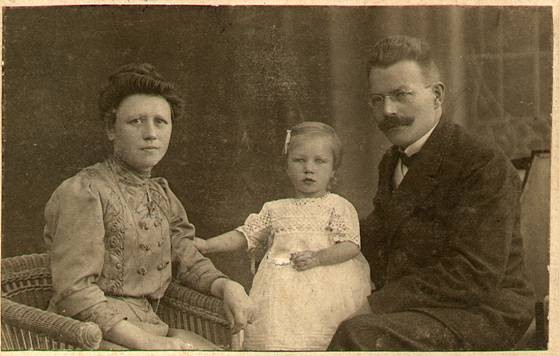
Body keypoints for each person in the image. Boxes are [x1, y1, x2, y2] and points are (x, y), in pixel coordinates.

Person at [327, 35, 535, 351]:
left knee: (358, 334)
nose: (389, 110)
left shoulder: (482, 163)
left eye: (401, 95)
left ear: (436, 95)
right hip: (422, 307)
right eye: (377, 99)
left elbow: (473, 274)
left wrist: (377, 304)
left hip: (484, 311)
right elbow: (378, 235)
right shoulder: (391, 160)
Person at [44, 63, 252, 350]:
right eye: (136, 122)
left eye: (160, 122)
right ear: (111, 129)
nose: (151, 133)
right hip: (89, 335)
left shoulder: (162, 194)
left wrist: (227, 286)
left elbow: (186, 258)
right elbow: (74, 292)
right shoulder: (84, 192)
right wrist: (147, 343)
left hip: (151, 327)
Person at [194, 122, 372, 350]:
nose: (309, 168)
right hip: (281, 295)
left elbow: (350, 245)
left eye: (319, 161)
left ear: (333, 170)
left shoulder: (338, 206)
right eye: (299, 160)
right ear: (287, 167)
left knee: (324, 339)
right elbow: (245, 235)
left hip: (327, 291)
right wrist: (208, 245)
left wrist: (317, 258)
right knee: (277, 339)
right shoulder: (275, 209)